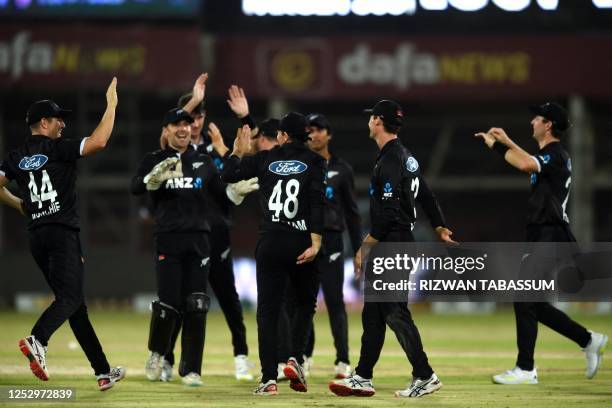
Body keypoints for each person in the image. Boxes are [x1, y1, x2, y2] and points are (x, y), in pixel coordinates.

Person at [0, 78, 126, 391]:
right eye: (58, 119)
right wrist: (111, 105)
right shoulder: (59, 149)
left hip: (37, 238)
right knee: (70, 298)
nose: (62, 124)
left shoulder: (15, 157)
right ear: (44, 122)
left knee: (74, 304)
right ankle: (38, 340)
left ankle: (102, 370)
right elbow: (98, 142)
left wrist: (20, 205)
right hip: (61, 232)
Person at [330, 99, 456, 398]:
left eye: (371, 117)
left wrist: (364, 246)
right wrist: (439, 225)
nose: (369, 122)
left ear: (377, 121)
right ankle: (362, 376)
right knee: (373, 313)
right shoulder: (404, 156)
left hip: (392, 244)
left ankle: (424, 375)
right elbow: (425, 194)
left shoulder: (389, 159)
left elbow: (386, 215)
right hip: (399, 242)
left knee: (394, 311)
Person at [475, 102, 608, 385]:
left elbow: (525, 163)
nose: (532, 120)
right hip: (542, 234)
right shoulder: (548, 156)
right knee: (531, 301)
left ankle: (526, 369)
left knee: (524, 298)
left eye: (537, 117)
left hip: (550, 234)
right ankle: (588, 340)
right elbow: (523, 163)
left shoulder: (556, 154)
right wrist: (494, 146)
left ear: (548, 125)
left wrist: (507, 140)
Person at [131, 107, 256, 387]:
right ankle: (159, 356)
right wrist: (150, 180)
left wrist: (234, 191)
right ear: (166, 130)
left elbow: (221, 191)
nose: (183, 128)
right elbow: (135, 187)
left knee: (196, 305)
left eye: (186, 124)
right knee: (168, 305)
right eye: (176, 124)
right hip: (168, 239)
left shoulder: (203, 161)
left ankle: (191, 370)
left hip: (200, 240)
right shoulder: (154, 159)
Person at [160, 75, 257, 382]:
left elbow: (250, 152)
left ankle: (241, 357)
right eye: (192, 116)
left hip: (215, 234)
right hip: (185, 234)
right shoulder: (174, 149)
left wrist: (244, 119)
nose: (197, 121)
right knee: (180, 301)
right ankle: (166, 358)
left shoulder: (216, 148)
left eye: (200, 115)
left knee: (229, 299)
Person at [221, 113, 326, 396]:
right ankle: (294, 357)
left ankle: (269, 378)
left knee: (267, 312)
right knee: (304, 304)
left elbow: (227, 175)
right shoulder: (316, 161)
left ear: (281, 136)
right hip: (301, 241)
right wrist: (316, 242)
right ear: (305, 136)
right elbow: (317, 203)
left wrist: (237, 152)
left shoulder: (266, 158)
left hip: (270, 243)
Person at [282, 113, 362, 379]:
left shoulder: (342, 169)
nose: (314, 135)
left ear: (329, 134)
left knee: (334, 300)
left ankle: (342, 360)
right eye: (310, 130)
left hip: (332, 241)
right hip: (304, 239)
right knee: (303, 300)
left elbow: (352, 212)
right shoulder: (301, 166)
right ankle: (304, 356)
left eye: (319, 130)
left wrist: (359, 247)